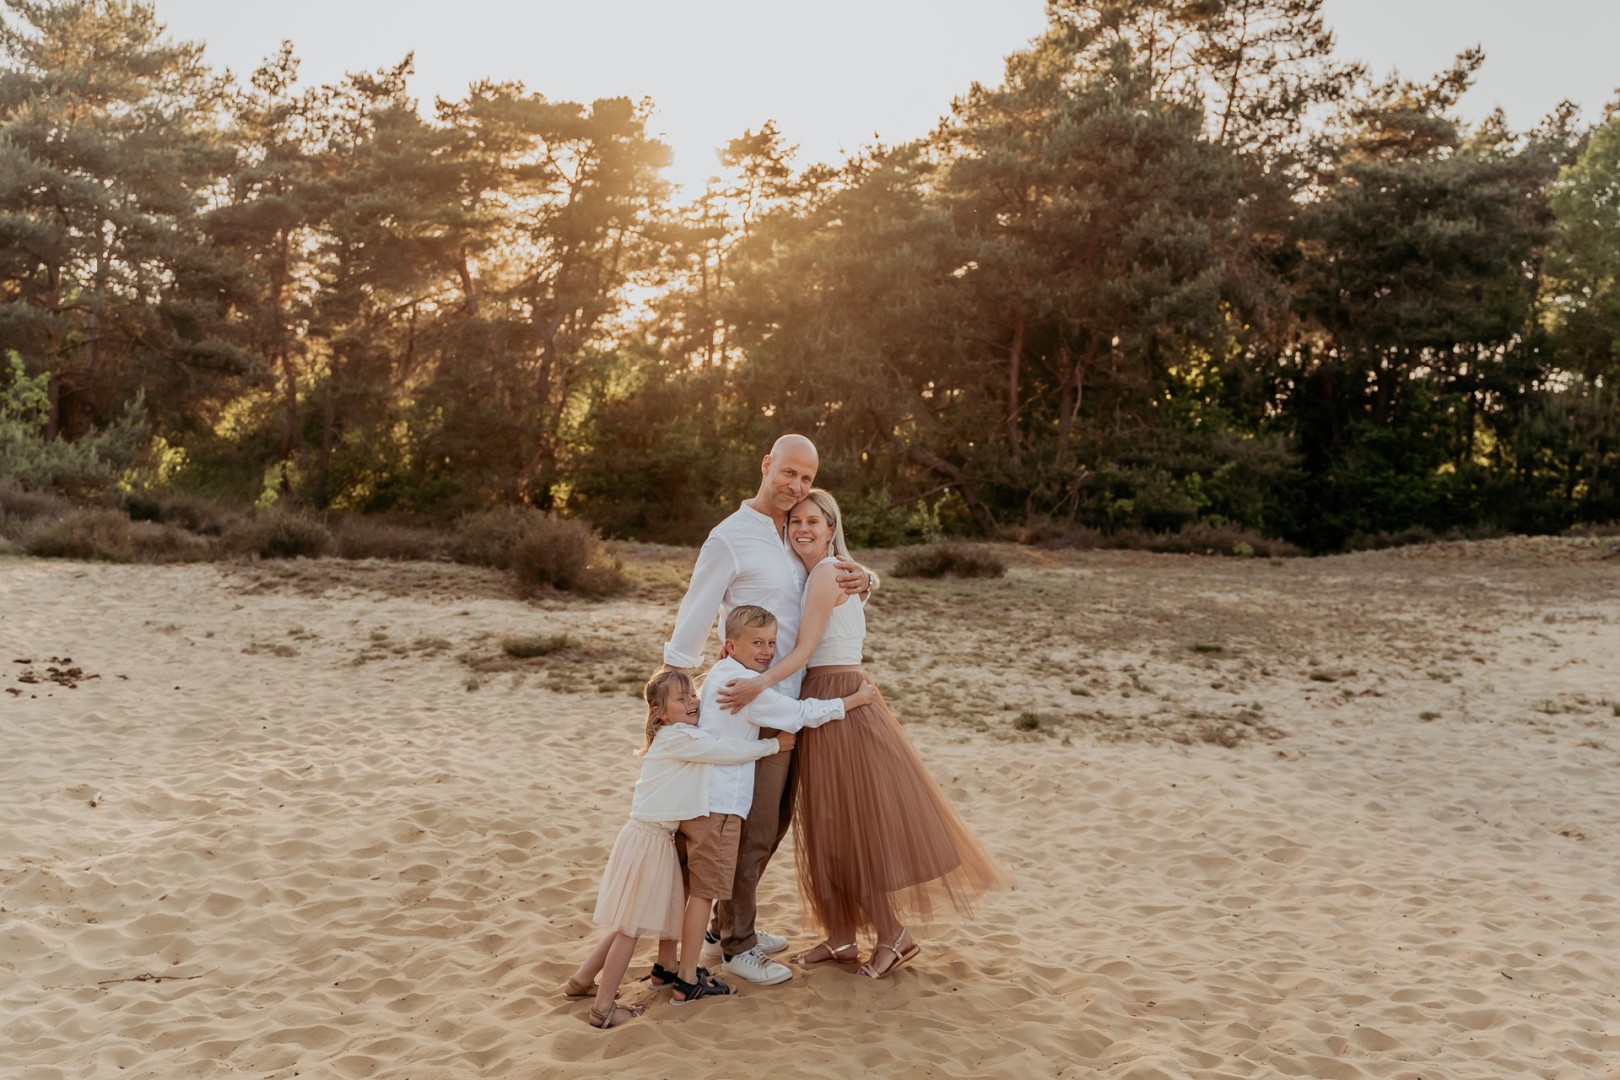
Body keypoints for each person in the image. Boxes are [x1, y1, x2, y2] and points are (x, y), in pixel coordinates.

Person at [717, 489, 1008, 979]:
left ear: (832, 529)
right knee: (828, 824)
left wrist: (757, 683)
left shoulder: (827, 572)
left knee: (847, 826)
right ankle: (841, 936)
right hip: (829, 694)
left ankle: (893, 934)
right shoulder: (836, 571)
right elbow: (853, 594)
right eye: (795, 522)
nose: (802, 529)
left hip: (835, 695)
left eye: (813, 521)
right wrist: (871, 577)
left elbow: (804, 649)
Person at [662, 434, 876, 987]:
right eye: (788, 473)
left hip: (794, 698)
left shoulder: (795, 531)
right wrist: (673, 700)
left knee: (774, 823)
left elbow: (832, 571)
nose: (796, 486)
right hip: (751, 705)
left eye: (806, 478)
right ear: (766, 465)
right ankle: (739, 945)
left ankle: (722, 926)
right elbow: (693, 618)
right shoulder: (729, 538)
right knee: (752, 828)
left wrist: (869, 577)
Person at [564, 669, 793, 1027]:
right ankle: (603, 1010)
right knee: (629, 929)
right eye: (681, 698)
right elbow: (724, 750)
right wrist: (773, 746)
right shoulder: (678, 737)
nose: (692, 702)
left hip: (646, 837)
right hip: (650, 840)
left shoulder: (674, 735)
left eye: (693, 695)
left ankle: (580, 981)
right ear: (659, 711)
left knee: (628, 921)